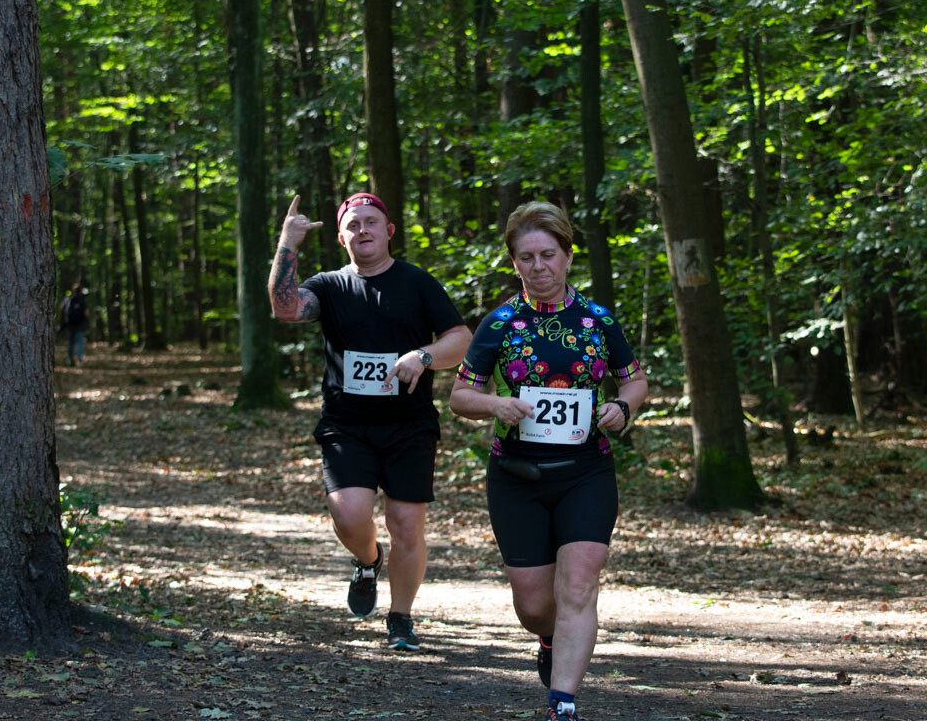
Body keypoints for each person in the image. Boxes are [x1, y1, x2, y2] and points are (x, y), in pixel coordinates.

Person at [449, 201, 647, 721]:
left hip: (587, 472)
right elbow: (459, 397)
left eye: (548, 255)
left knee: (579, 584)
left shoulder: (598, 320)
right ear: (513, 262)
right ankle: (546, 636)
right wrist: (496, 404)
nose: (538, 267)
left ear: (567, 255)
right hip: (517, 475)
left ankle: (563, 702)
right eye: (526, 258)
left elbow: (634, 378)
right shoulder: (500, 323)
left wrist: (623, 407)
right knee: (535, 605)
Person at [268, 192, 471, 652]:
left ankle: (401, 619)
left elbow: (461, 339)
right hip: (347, 425)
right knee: (349, 513)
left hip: (410, 424)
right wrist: (288, 242)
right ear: (342, 237)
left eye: (371, 222)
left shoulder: (417, 283)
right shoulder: (330, 286)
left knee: (405, 523)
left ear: (388, 230)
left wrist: (423, 356)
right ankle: (367, 560)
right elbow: (285, 309)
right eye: (353, 224)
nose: (363, 230)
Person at [59, 282, 89, 367]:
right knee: (79, 342)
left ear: (73, 290)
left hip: (69, 325)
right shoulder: (82, 300)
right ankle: (79, 359)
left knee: (70, 342)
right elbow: (86, 313)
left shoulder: (68, 299)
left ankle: (70, 359)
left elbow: (62, 310)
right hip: (79, 325)